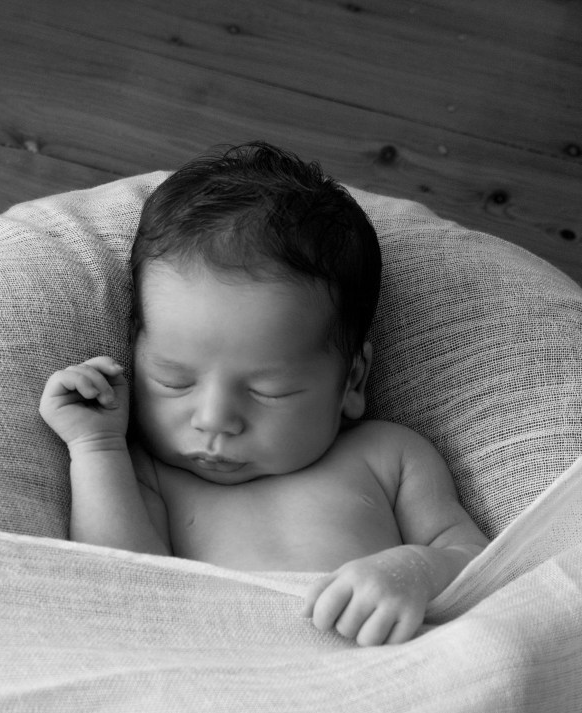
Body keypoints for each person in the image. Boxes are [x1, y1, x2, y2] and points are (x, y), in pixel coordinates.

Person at [40, 141, 488, 646]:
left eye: (268, 390)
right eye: (174, 381)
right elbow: (120, 586)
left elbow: (478, 562)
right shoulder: (151, 475)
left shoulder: (389, 454)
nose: (213, 419)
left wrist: (413, 571)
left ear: (353, 381)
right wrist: (95, 448)